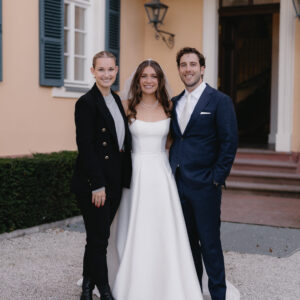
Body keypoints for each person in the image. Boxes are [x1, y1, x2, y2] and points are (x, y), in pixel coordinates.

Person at [107, 59, 204, 300]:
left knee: (163, 228)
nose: (149, 80)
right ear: (138, 80)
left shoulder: (169, 107)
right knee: (132, 228)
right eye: (144, 76)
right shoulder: (126, 106)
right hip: (134, 174)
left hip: (161, 174)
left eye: (154, 76)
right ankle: (132, 281)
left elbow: (174, 141)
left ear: (160, 80)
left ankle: (168, 281)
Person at [169, 47, 238, 300]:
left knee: (210, 244)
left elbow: (229, 143)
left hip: (206, 185)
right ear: (179, 69)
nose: (188, 69)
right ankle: (193, 292)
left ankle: (218, 294)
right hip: (178, 184)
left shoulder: (220, 101)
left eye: (192, 64)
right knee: (188, 246)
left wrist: (217, 178)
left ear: (202, 68)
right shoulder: (174, 102)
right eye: (183, 65)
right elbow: (177, 140)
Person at [71, 51, 132, 300]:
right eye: (101, 70)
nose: (106, 74)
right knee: (100, 238)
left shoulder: (116, 99)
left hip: (114, 180)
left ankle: (87, 286)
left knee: (97, 237)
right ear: (92, 71)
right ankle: (104, 290)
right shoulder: (86, 103)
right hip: (94, 183)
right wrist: (97, 184)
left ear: (116, 70)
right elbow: (85, 146)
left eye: (110, 69)